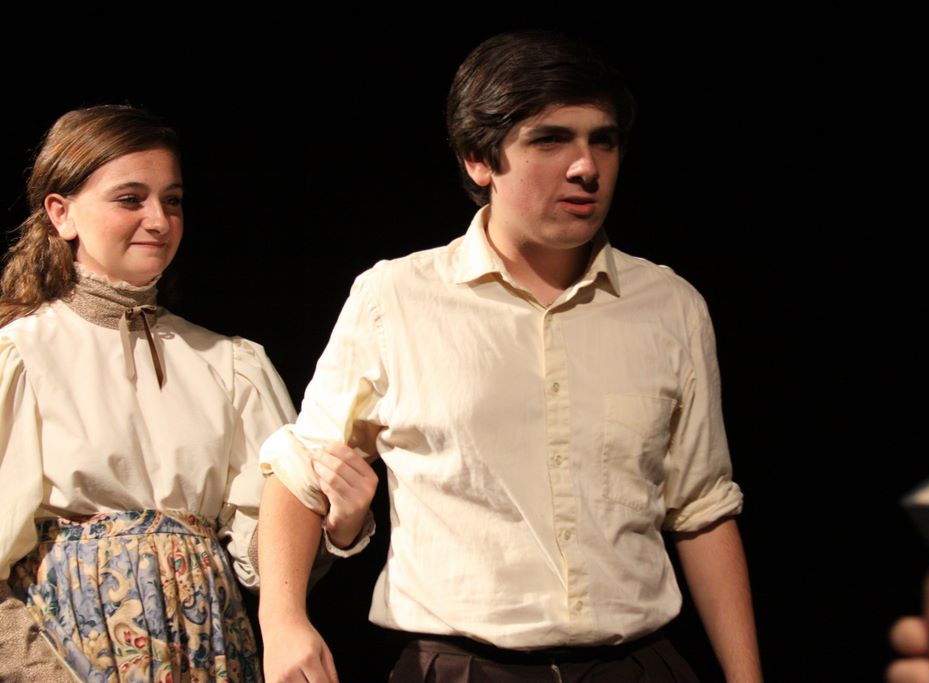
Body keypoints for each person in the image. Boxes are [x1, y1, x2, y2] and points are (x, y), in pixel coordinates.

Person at [258, 30, 762, 682]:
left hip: (636, 664)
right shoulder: (396, 299)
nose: (586, 167)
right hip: (461, 666)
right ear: (478, 158)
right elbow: (299, 469)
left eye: (603, 141)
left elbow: (701, 508)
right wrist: (283, 621)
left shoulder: (671, 307)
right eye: (550, 140)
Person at [0, 105, 302, 681]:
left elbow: (268, 559)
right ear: (62, 213)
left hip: (210, 656)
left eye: (173, 200)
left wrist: (332, 521)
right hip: (71, 660)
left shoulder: (229, 363)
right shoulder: (22, 356)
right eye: (130, 199)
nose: (159, 220)